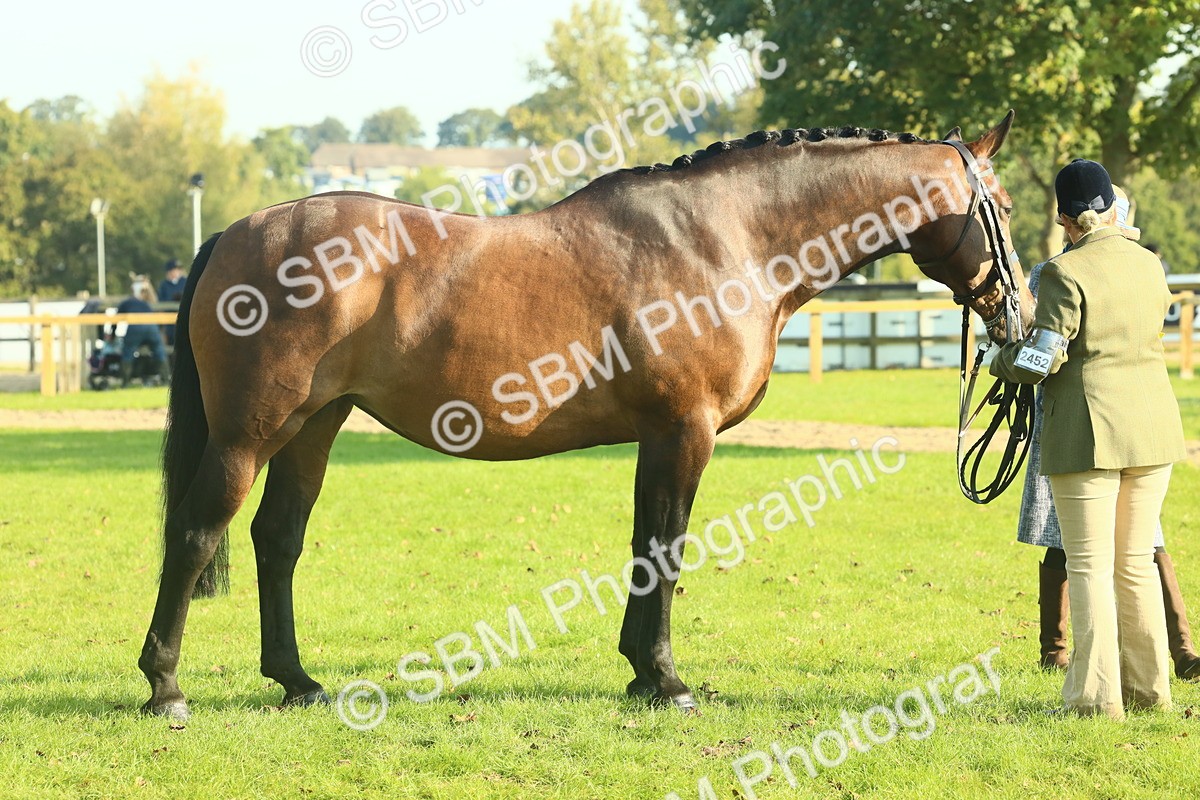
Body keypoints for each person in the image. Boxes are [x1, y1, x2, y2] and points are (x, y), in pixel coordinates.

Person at [992, 159, 1187, 720]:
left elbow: (1042, 357)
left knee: (1090, 567)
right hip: (1152, 429)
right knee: (1134, 564)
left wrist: (1000, 359)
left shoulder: (1062, 272)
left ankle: (1095, 700)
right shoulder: (1152, 265)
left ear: (1063, 217)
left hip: (1089, 436)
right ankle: (1151, 690)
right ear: (1111, 205)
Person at [117, 275, 170, 387]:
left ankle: (125, 382)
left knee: (128, 352)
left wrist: (111, 334)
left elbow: (117, 319)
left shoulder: (126, 302)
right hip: (151, 327)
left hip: (135, 327)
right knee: (159, 351)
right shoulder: (148, 303)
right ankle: (166, 380)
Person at [158, 258, 187, 347]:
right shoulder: (164, 285)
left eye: (178, 269)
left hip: (184, 319)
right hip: (169, 321)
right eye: (174, 270)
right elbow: (160, 301)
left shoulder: (185, 282)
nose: (176, 272)